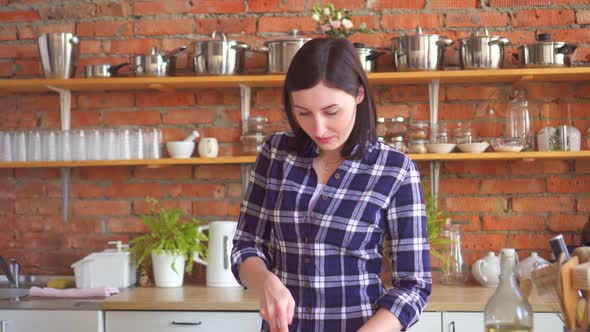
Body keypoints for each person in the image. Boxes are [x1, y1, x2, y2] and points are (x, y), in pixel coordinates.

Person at [231, 37, 431, 332]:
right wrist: (266, 282)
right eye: (303, 113)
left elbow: (414, 287)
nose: (318, 129)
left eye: (331, 112)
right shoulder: (276, 154)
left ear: (359, 94)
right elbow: (245, 246)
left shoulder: (396, 170)